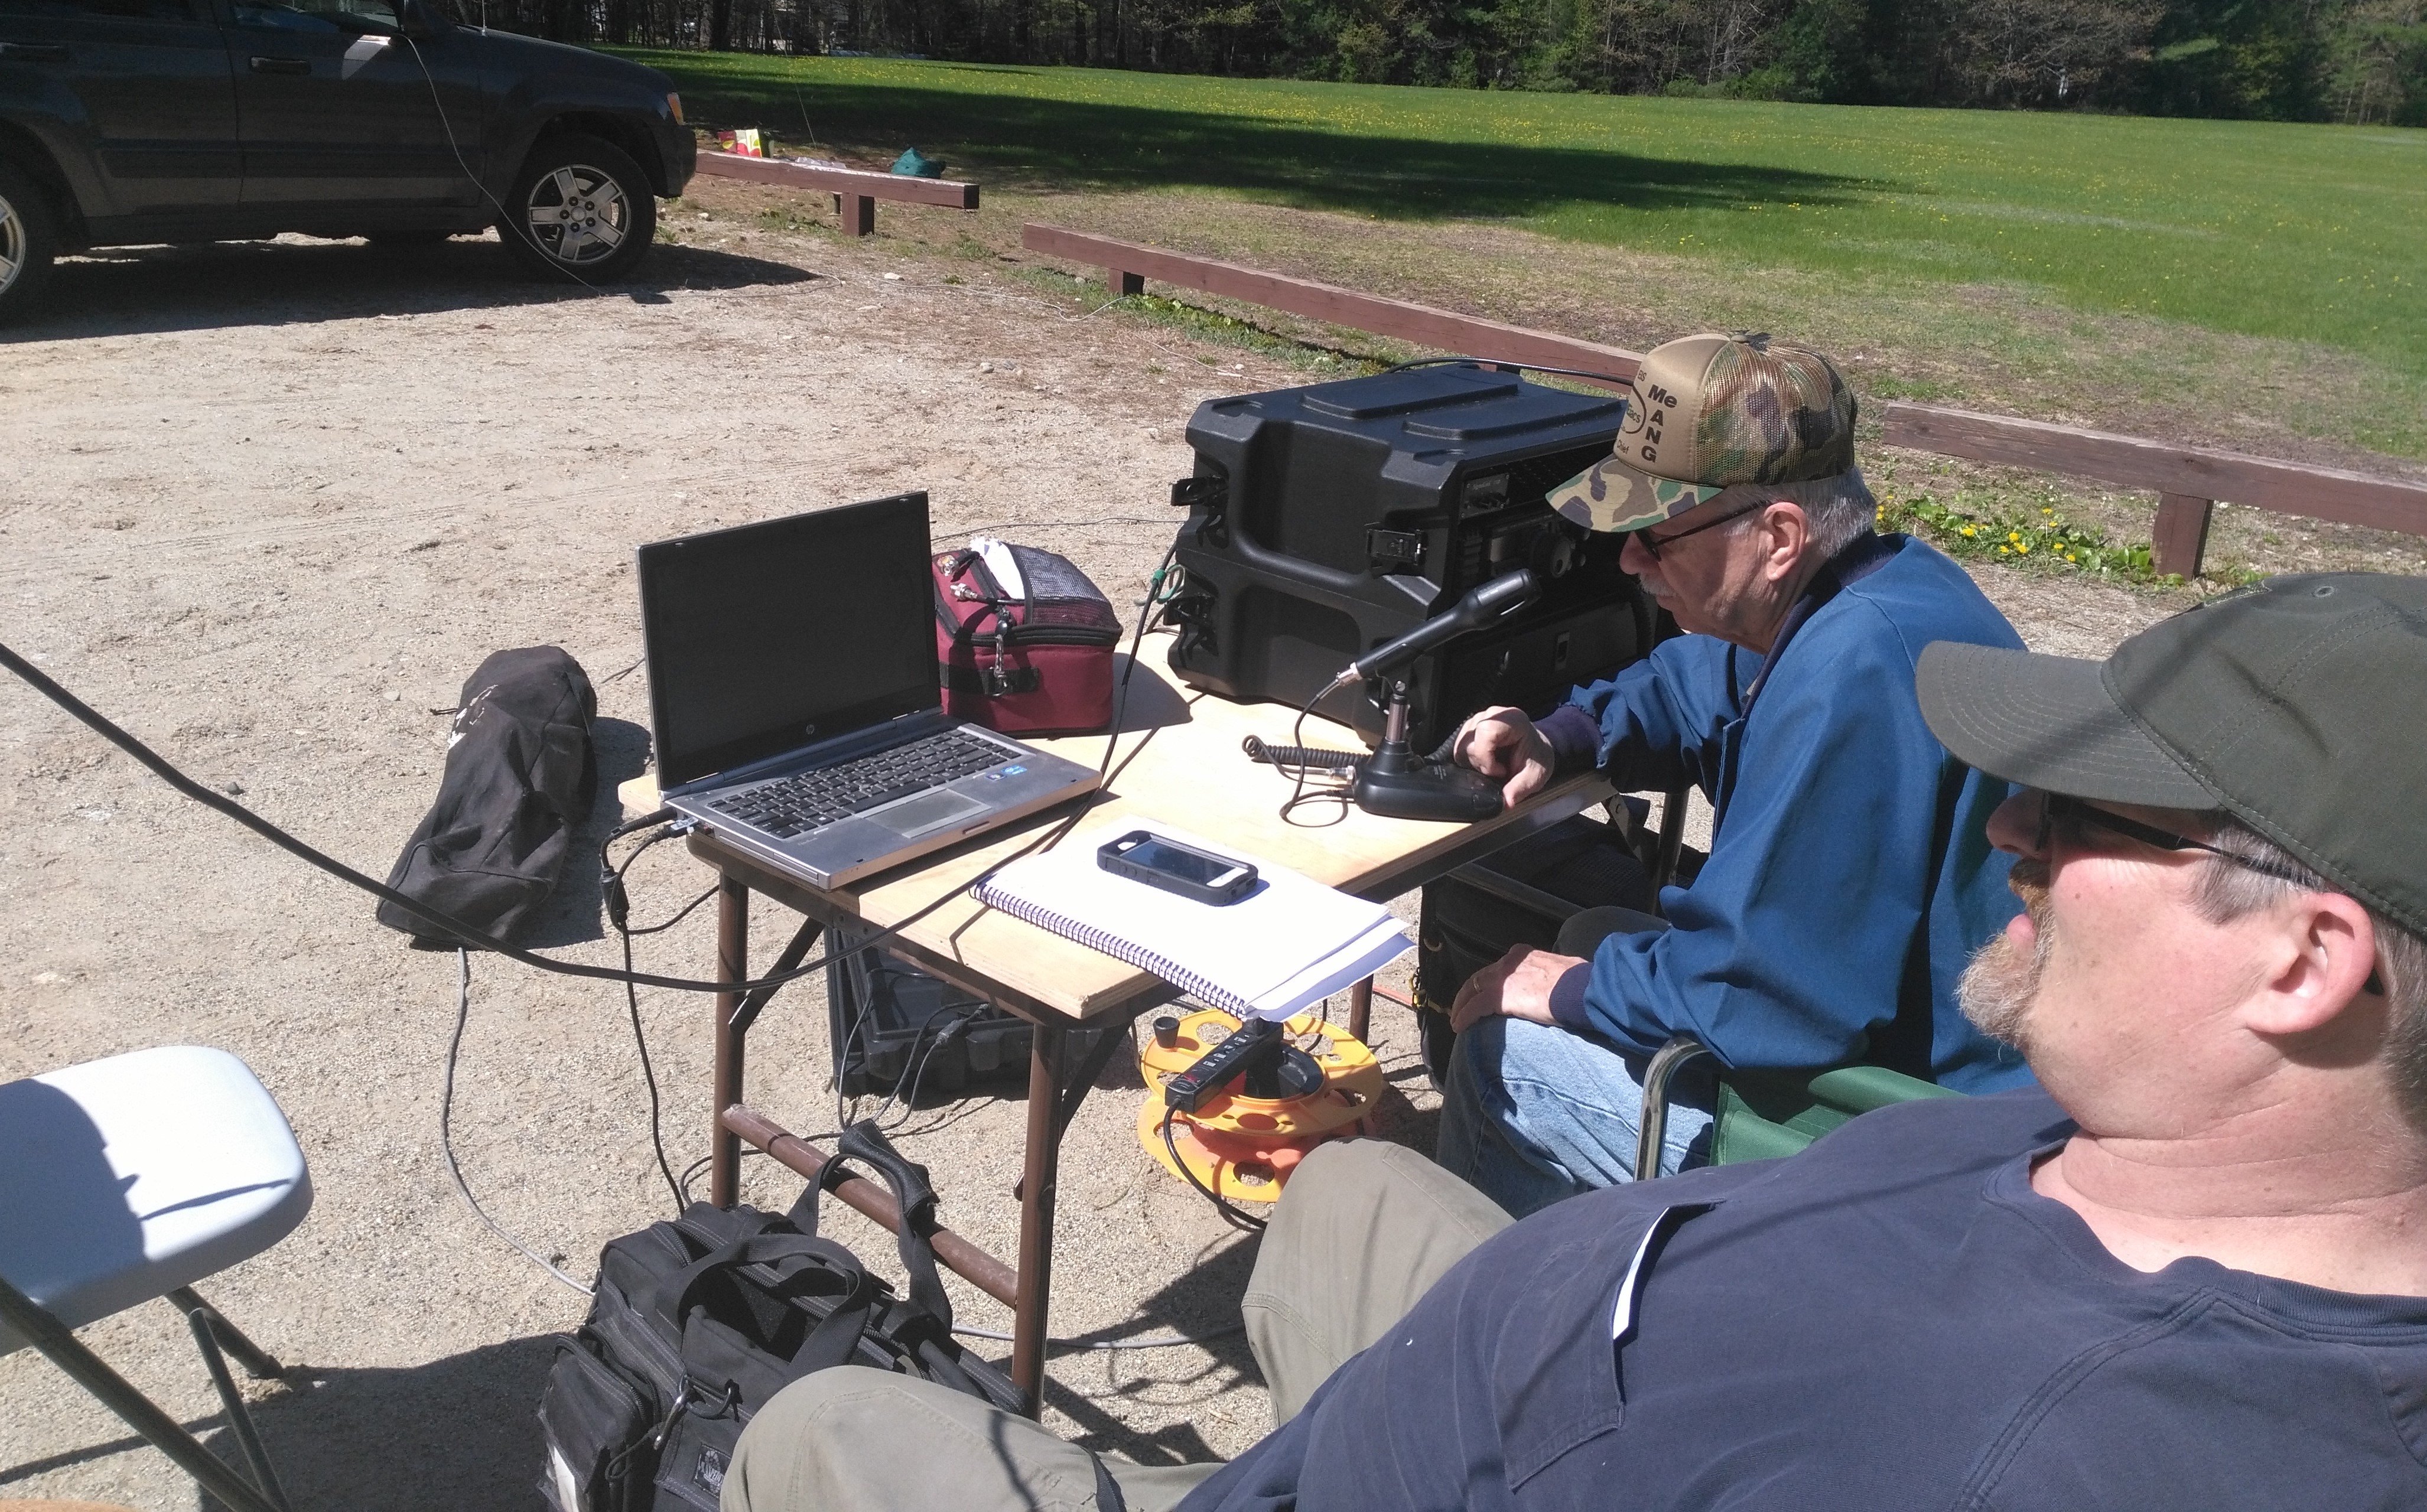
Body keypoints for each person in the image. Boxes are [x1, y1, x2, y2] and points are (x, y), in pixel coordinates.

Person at [719, 571, 2427, 1512]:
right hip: (1556, 1342)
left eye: (2079, 818)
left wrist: (1562, 992)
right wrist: (1574, 721)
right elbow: (1702, 688)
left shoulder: (2024, 1448)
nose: (2009, 834)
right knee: (1345, 1189)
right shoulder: (2117, 1136)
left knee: (819, 1431)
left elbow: (1780, 998)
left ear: (2302, 958)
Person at [1437, 330, 2034, 1213]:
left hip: (1923, 1133)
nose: (1630, 560)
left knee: (1504, 1056)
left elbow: (1761, 997)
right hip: (1905, 1053)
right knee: (1595, 937)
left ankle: (1523, 1299)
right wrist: (1563, 735)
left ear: (1780, 535)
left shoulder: (1856, 679)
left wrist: (1562, 990)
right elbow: (1703, 681)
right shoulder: (1873, 590)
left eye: (1655, 535)